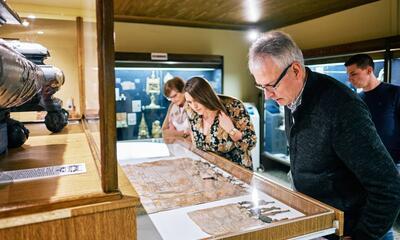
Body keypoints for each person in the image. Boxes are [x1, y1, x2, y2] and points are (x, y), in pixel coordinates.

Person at [248, 30, 400, 240]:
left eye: (271, 85)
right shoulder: (288, 95)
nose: (267, 95)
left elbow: (388, 184)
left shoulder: (341, 107)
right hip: (320, 221)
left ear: (296, 70)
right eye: (260, 86)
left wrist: (363, 235)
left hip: (352, 227)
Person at [183, 76, 256, 169]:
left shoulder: (233, 107)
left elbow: (251, 142)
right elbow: (196, 145)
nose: (194, 106)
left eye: (197, 100)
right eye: (190, 102)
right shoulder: (190, 110)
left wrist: (231, 130)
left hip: (236, 173)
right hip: (209, 173)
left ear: (206, 95)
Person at [345, 54, 400, 170]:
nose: (349, 79)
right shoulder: (355, 99)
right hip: (365, 163)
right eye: (348, 75)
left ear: (369, 70)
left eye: (353, 74)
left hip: (393, 163)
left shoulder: (394, 93)